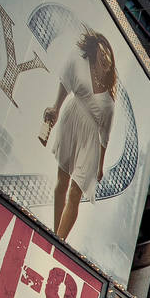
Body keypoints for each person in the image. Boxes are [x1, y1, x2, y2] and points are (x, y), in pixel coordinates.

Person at [42, 26, 117, 241]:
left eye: (108, 57)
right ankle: (55, 235)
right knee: (62, 182)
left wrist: (101, 165)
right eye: (102, 53)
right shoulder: (79, 61)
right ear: (95, 50)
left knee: (76, 191)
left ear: (111, 64)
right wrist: (55, 108)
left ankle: (60, 240)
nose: (105, 58)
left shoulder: (110, 103)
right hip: (70, 120)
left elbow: (105, 135)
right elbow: (65, 82)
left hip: (91, 140)